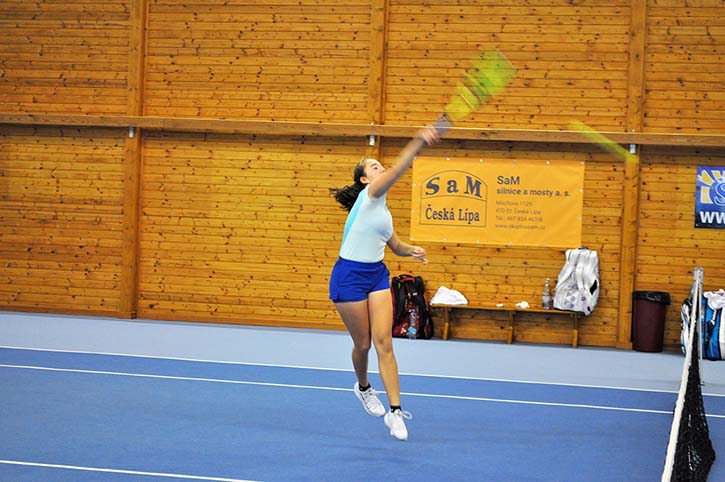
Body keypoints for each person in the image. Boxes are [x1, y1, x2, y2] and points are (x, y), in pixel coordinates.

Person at [329, 126, 440, 441]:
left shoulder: (383, 213)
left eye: (380, 165)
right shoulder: (369, 196)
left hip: (376, 274)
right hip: (349, 277)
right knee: (363, 344)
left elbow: (395, 245)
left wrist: (412, 250)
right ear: (365, 180)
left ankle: (395, 412)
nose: (381, 168)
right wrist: (419, 141)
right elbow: (399, 168)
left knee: (385, 343)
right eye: (374, 167)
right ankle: (364, 388)